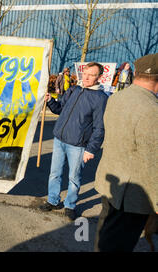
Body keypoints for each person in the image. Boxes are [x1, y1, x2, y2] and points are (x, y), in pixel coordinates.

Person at [94, 53, 157, 252]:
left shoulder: (117, 98)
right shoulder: (151, 110)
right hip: (132, 196)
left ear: (135, 73)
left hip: (112, 184)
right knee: (118, 245)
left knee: (105, 238)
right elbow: (153, 162)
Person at [39, 62, 108, 221]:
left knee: (74, 178)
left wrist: (91, 149)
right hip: (59, 139)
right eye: (85, 73)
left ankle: (70, 205)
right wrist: (50, 101)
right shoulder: (74, 90)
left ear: (99, 77)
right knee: (54, 173)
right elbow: (59, 110)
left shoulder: (100, 99)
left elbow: (100, 127)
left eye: (91, 75)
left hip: (78, 146)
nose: (86, 77)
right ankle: (53, 200)